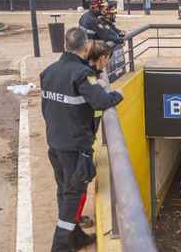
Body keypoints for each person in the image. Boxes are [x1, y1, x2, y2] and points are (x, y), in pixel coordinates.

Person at [41, 27, 123, 252]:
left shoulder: (48, 72)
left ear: (65, 45)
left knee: (64, 191)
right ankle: (59, 247)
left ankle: (75, 238)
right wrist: (117, 95)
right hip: (75, 147)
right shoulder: (81, 74)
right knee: (74, 196)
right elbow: (100, 102)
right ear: (86, 47)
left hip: (55, 144)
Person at [85, 39, 113, 134]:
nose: (107, 63)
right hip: (87, 124)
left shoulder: (87, 69)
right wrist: (118, 94)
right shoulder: (89, 74)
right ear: (102, 59)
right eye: (108, 59)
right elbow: (101, 100)